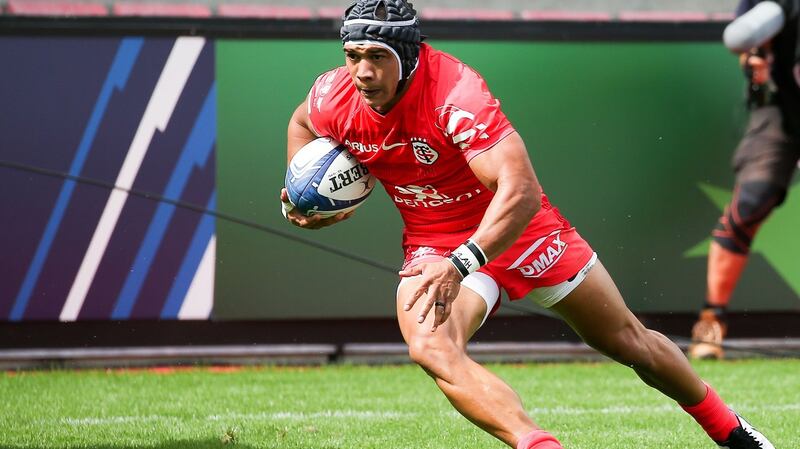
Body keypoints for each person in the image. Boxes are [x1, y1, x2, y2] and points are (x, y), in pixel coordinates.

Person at [280, 0, 776, 447]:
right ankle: (537, 445)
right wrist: (310, 197)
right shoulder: (333, 95)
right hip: (434, 243)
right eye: (353, 55)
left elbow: (521, 192)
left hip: (522, 229)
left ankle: (728, 427)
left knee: (629, 342)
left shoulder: (456, 94)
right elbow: (302, 123)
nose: (363, 72)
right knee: (431, 346)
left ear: (409, 55)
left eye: (378, 57)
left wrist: (464, 262)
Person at [689, 0, 799, 360]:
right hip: (783, 109)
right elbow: (742, 39)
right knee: (750, 202)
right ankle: (711, 323)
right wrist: (755, 60)